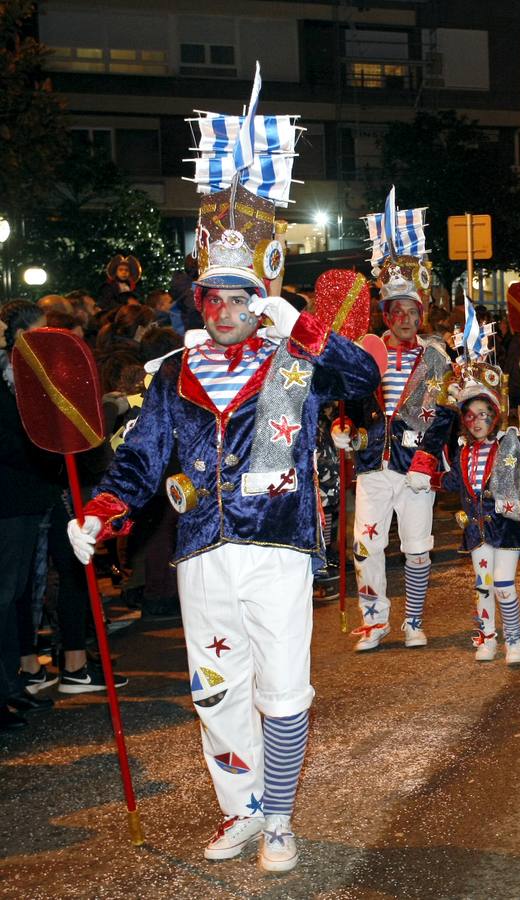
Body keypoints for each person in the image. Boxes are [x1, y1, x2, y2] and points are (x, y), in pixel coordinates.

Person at [67, 80, 380, 871]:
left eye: (241, 295)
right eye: (214, 295)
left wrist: (301, 327)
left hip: (276, 551)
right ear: (201, 297)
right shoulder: (172, 372)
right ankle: (240, 810)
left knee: (282, 693)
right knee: (215, 696)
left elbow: (361, 384)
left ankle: (280, 818)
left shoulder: (295, 357)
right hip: (203, 552)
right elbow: (141, 460)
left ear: (260, 294)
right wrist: (100, 511)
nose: (226, 306)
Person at [338, 187, 456, 653]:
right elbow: (346, 398)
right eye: (397, 311)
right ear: (386, 313)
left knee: (417, 547)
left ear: (421, 314)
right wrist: (341, 430)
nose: (405, 319)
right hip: (372, 464)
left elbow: (446, 414)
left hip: (416, 468)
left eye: (412, 312)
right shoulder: (368, 349)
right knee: (366, 547)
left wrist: (430, 458)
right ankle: (373, 620)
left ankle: (412, 620)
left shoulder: (436, 357)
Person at [429, 303, 520, 665]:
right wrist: (426, 480)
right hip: (479, 531)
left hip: (509, 528)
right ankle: (487, 638)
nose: (477, 421)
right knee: (482, 586)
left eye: (484, 415)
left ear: (495, 416)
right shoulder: (464, 452)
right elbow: (454, 481)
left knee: (502, 584)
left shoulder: (511, 442)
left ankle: (514, 639)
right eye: (470, 416)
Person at [1, 301, 64, 729]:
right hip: (9, 498)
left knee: (16, 594)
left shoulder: (13, 374)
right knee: (6, 594)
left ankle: (9, 685)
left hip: (22, 497)